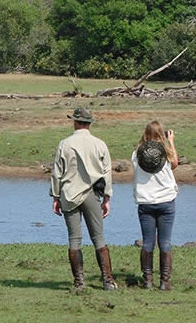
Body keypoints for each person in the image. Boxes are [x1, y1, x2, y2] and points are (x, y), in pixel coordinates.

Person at [50, 107, 117, 291]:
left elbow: (57, 173)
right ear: (89, 123)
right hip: (92, 195)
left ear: (75, 122)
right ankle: (108, 281)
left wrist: (55, 196)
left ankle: (79, 282)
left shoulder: (64, 144)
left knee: (74, 240)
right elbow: (106, 173)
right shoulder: (100, 144)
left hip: (69, 195)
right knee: (99, 238)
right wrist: (107, 197)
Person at [132, 120, 179, 290]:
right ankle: (165, 281)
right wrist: (171, 142)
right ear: (161, 134)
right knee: (165, 242)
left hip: (145, 202)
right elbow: (175, 164)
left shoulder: (136, 154)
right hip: (166, 202)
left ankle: (148, 280)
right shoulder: (166, 153)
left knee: (147, 242)